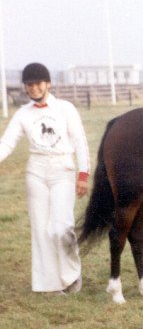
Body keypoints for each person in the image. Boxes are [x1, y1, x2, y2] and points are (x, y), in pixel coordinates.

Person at [0, 62, 90, 295]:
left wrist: (83, 174)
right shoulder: (23, 114)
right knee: (41, 230)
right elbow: (7, 143)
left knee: (61, 227)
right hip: (36, 172)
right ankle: (49, 284)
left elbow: (80, 141)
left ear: (48, 84)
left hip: (63, 170)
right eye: (29, 85)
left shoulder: (65, 108)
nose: (33, 88)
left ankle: (71, 275)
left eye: (38, 83)